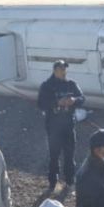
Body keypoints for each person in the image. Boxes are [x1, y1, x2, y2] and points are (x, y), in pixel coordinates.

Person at [37, 60, 85, 192]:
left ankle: (70, 181)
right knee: (54, 155)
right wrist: (57, 103)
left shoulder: (71, 84)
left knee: (70, 155)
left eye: (65, 70)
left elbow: (82, 98)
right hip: (53, 127)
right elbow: (41, 104)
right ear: (55, 70)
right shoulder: (47, 86)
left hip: (69, 125)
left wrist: (73, 100)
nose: (64, 72)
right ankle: (53, 182)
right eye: (61, 70)